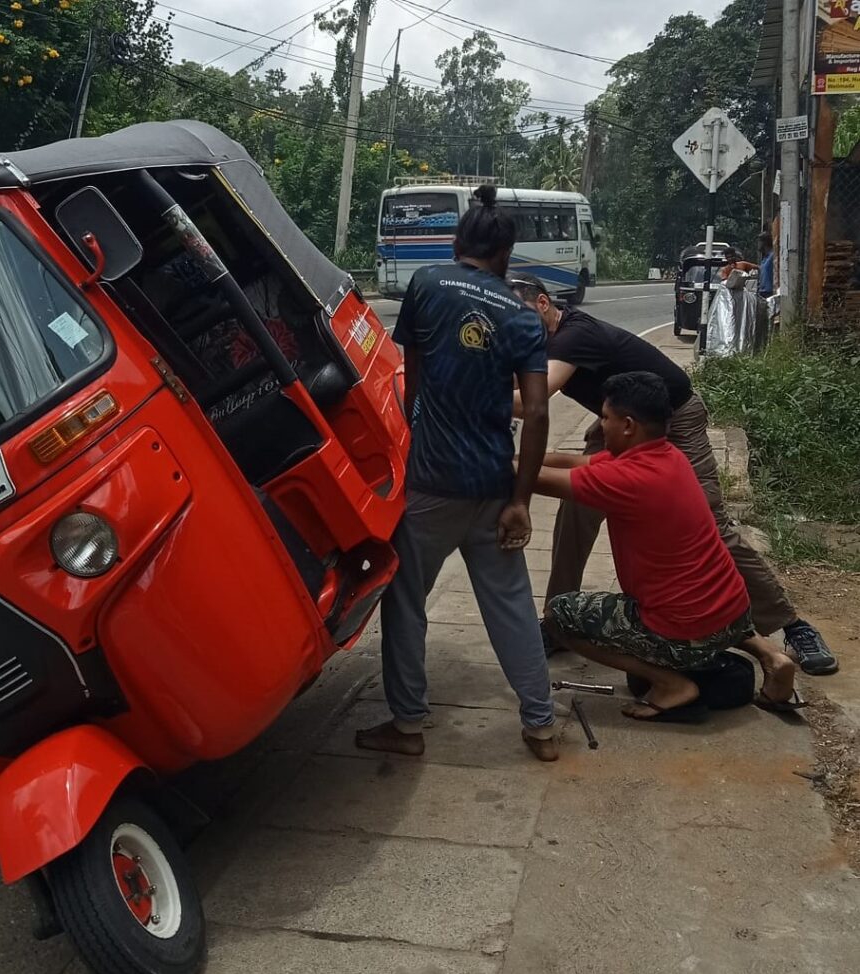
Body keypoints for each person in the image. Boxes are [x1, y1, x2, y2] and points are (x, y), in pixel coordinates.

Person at [507, 272, 838, 675]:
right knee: (576, 510)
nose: (516, 326)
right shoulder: (535, 342)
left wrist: (465, 400)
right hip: (616, 424)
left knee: (712, 523)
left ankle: (791, 624)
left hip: (673, 418)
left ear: (544, 303)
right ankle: (557, 624)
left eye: (520, 314)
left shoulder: (574, 335)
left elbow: (535, 399)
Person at [355, 185, 559, 763]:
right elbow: (539, 411)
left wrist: (418, 438)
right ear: (507, 254)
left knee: (404, 598)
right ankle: (541, 726)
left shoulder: (426, 286)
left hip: (432, 486)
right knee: (511, 603)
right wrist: (520, 500)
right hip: (494, 484)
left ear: (455, 242)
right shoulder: (523, 319)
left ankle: (409, 723)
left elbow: (410, 381)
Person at [535, 371, 802, 722]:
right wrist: (525, 455)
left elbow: (534, 480)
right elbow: (576, 462)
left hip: (684, 627)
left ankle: (670, 684)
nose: (601, 425)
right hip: (733, 610)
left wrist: (489, 462)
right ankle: (769, 653)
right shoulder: (668, 456)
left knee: (560, 615)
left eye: (605, 418)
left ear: (628, 425)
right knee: (698, 597)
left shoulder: (627, 479)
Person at [758, 232, 775, 298]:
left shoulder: (772, 256)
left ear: (764, 242)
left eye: (759, 242)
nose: (758, 245)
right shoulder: (765, 258)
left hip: (769, 292)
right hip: (762, 291)